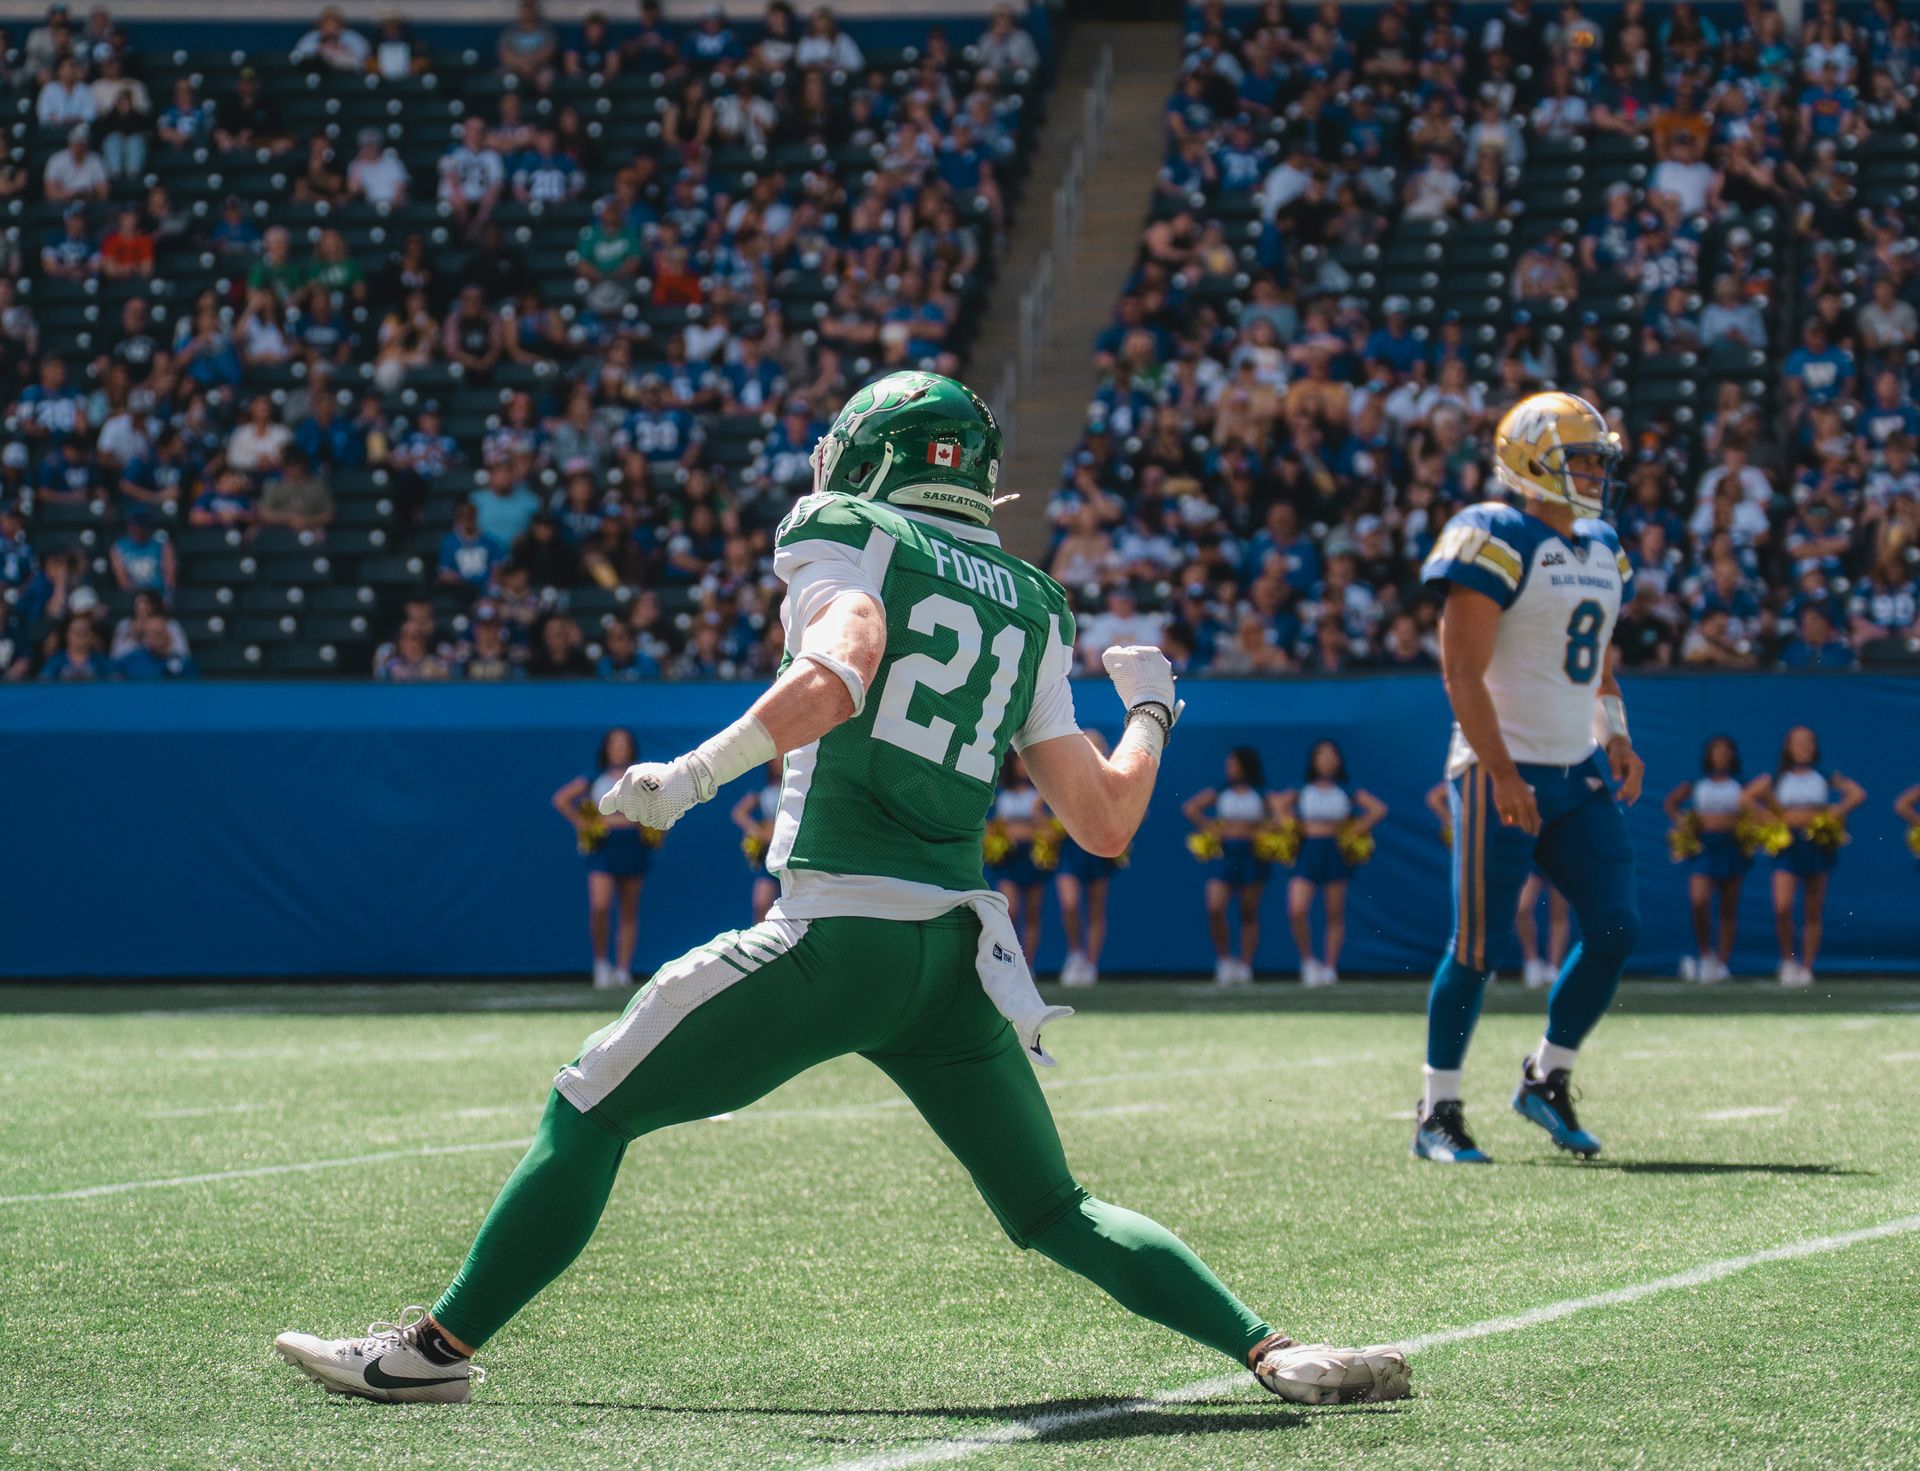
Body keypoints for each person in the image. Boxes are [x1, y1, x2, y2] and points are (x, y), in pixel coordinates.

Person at [273, 369, 1409, 1410]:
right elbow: (1105, 821)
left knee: (588, 1107)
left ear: (875, 455)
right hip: (952, 962)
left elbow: (841, 664)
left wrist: (696, 774)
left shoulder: (847, 529)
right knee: (1054, 1209)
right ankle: (1272, 1351)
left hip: (837, 939)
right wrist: (1154, 712)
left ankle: (432, 1353)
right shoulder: (1033, 601)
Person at [1414, 391, 1644, 1165]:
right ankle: (1437, 1107)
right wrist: (1503, 771)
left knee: (1616, 927)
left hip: (1574, 766)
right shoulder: (1492, 533)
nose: (1591, 472)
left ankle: (1546, 1077)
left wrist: (1614, 732)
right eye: (1579, 457)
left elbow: (1597, 653)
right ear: (1530, 460)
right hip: (1496, 766)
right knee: (1479, 945)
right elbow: (1461, 669)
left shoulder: (1604, 545)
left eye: (1595, 459)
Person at [1744, 726, 1865, 986]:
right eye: (1798, 742)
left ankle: (1807, 967)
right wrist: (1769, 819)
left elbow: (1857, 794)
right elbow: (1746, 798)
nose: (1803, 747)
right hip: (1788, 846)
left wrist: (1834, 813)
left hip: (1816, 845)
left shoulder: (1825, 775)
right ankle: (1788, 961)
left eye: (1808, 741)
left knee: (1812, 909)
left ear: (1815, 746)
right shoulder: (1777, 777)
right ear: (1788, 747)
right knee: (1783, 907)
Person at [1274, 739, 1386, 987]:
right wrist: (1293, 826)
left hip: (1335, 851)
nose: (1327, 760)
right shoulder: (1302, 787)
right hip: (1307, 851)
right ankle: (1307, 961)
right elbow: (1279, 805)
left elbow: (1378, 809)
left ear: (1338, 760)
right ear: (1314, 760)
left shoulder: (1346, 788)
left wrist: (1355, 829)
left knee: (1334, 912)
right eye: (1322, 756)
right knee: (1297, 909)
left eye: (1331, 755)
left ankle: (1330, 967)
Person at [551, 727, 649, 989]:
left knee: (629, 909)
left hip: (633, 845)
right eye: (614, 744)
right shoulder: (594, 777)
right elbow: (561, 799)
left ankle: (623, 969)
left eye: (624, 744)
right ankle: (601, 964)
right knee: (600, 906)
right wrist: (584, 823)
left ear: (631, 748)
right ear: (606, 749)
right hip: (604, 847)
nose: (619, 749)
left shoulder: (641, 775)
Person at [1182, 746, 1283, 985]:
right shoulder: (1221, 790)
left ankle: (1246, 966)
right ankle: (1225, 960)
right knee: (1215, 907)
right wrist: (1212, 828)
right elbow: (1190, 807)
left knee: (1248, 911)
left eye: (1233, 764)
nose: (1229, 768)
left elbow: (1279, 819)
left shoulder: (1260, 793)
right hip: (1225, 854)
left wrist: (1263, 831)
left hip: (1252, 855)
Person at [1663, 735, 1752, 984]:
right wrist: (1684, 824)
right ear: (1709, 755)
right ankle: (1705, 954)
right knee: (1699, 900)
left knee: (1728, 906)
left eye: (1726, 751)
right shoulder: (1698, 782)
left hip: (1732, 847)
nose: (1721, 755)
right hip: (1704, 848)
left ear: (1732, 755)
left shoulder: (1741, 783)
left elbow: (1757, 803)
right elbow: (1671, 802)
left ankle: (1723, 963)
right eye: (1716, 751)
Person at [1055, 729, 1119, 988]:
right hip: (1071, 849)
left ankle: (1091, 964)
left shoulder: (1112, 779)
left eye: (1096, 747)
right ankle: (1075, 954)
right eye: (1086, 747)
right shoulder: (1066, 777)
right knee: (1069, 904)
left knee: (1095, 908)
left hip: (1098, 849)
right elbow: (1043, 806)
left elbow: (1134, 810)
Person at [987, 751, 1048, 963]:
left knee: (1032, 914)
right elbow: (995, 828)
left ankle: (1028, 964)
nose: (1022, 767)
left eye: (1026, 763)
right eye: (1018, 763)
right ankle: (1010, 962)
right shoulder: (1002, 795)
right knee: (1009, 911)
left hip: (1033, 860)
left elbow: (1046, 830)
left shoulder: (1040, 795)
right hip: (1009, 860)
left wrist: (1031, 822)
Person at [729, 758, 783, 923]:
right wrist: (758, 832)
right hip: (770, 857)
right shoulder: (762, 789)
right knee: (761, 904)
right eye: (775, 759)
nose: (778, 762)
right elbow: (739, 813)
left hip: (795, 855)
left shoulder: (801, 784)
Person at [1513, 874, 1570, 990]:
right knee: (1521, 909)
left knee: (1559, 913)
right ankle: (1532, 962)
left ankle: (1554, 968)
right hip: (1535, 861)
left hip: (1563, 861)